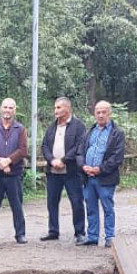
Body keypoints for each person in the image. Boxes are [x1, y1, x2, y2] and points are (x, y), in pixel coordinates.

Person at [39, 97, 87, 242]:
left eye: (59, 107)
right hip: (53, 172)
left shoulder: (78, 126)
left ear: (67, 108)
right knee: (52, 202)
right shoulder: (52, 127)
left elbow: (79, 146)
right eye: (55, 107)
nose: (56, 110)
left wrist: (64, 160)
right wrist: (52, 160)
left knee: (76, 201)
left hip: (71, 171)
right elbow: (44, 146)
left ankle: (79, 232)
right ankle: (53, 231)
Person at [79, 101, 126, 247]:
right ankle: (92, 236)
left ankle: (110, 237)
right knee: (91, 208)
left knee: (107, 208)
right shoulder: (90, 132)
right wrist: (83, 166)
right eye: (98, 112)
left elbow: (117, 157)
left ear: (109, 113)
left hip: (105, 178)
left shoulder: (117, 133)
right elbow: (80, 152)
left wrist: (100, 169)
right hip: (88, 177)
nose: (100, 115)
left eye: (104, 112)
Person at [0, 97, 28, 244]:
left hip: (14, 174)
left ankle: (20, 234)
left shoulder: (20, 129)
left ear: (15, 110)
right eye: (5, 107)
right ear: (0, 109)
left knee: (17, 205)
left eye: (10, 108)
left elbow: (23, 150)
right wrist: (0, 163)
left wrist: (8, 161)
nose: (7, 110)